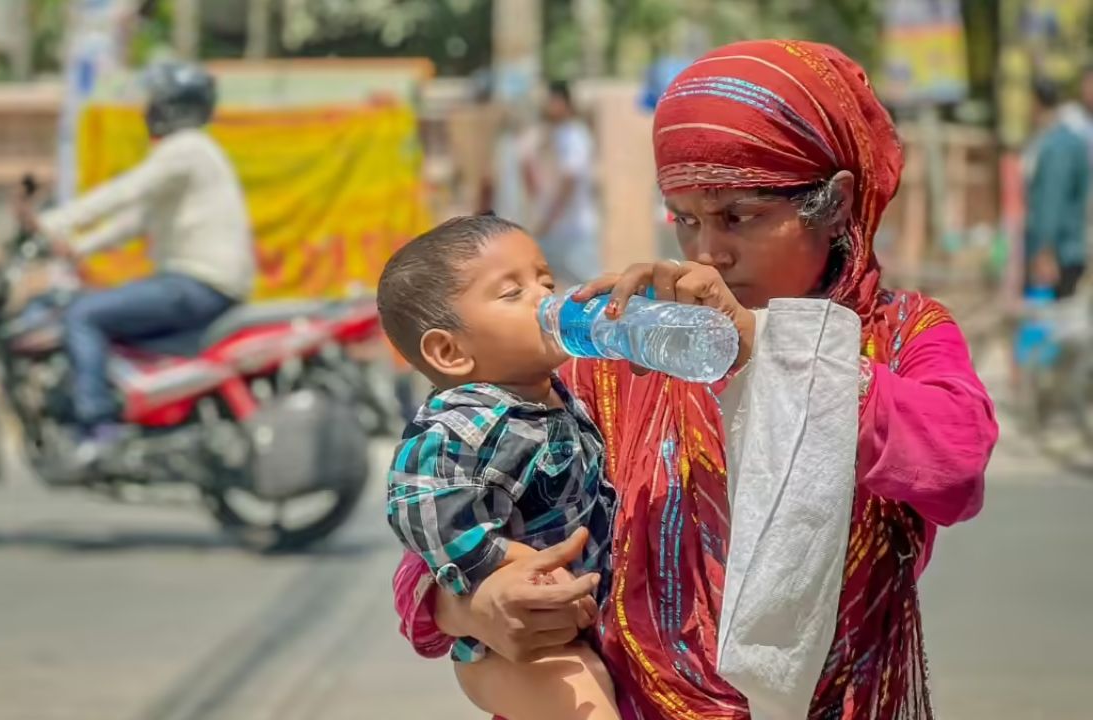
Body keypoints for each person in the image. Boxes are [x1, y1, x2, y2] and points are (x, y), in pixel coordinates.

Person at [391, 40, 998, 719]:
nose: (708, 252)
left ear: (834, 204)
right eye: (684, 219)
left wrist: (765, 351)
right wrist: (475, 606)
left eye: (738, 217)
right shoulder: (626, 351)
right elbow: (439, 544)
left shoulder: (899, 335)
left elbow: (955, 466)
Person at [377, 215, 619, 720]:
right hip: (514, 648)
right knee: (588, 702)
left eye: (546, 281)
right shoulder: (465, 422)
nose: (545, 299)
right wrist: (506, 563)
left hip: (569, 624)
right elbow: (420, 506)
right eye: (513, 293)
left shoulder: (548, 393)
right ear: (449, 351)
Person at [15, 61, 255, 461]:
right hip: (199, 284)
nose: (149, 109)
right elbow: (136, 221)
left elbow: (127, 192)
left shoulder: (188, 149)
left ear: (173, 106)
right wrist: (78, 248)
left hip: (196, 284)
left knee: (82, 315)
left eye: (155, 100)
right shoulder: (193, 155)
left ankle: (98, 426)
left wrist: (52, 223)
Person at [530, 81, 601, 289]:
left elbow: (570, 180)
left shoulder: (575, 135)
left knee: (591, 285)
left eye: (551, 101)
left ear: (562, 102)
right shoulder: (556, 134)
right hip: (557, 229)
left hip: (573, 228)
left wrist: (550, 218)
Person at [1026, 77, 1090, 298]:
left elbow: (1051, 199)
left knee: (1053, 313)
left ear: (1036, 104)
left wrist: (1045, 251)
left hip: (1058, 254)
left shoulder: (1057, 147)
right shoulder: (1068, 140)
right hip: (1067, 249)